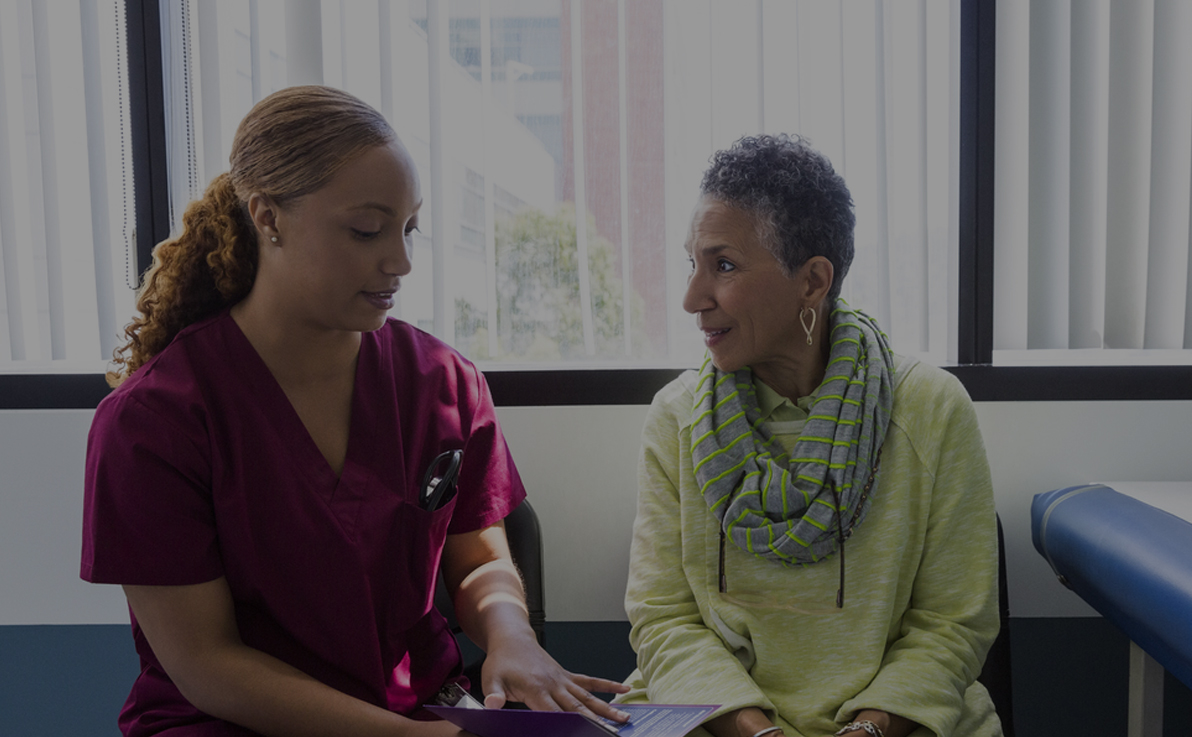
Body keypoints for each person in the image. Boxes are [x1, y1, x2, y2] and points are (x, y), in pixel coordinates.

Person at [80, 85, 628, 737]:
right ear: (268, 218)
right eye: (366, 229)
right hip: (232, 721)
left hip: (422, 710)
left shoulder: (443, 383)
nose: (400, 261)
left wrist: (513, 637)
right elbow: (208, 664)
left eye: (409, 228)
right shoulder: (152, 423)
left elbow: (479, 559)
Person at [617, 135, 1002, 737]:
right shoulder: (676, 416)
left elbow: (952, 625)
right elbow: (664, 621)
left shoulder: (930, 408)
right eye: (691, 264)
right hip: (719, 725)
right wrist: (758, 734)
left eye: (723, 265)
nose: (693, 298)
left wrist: (869, 731)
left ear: (813, 282)